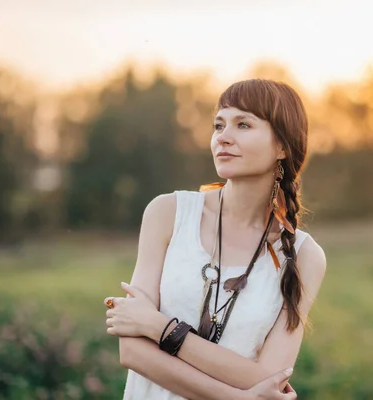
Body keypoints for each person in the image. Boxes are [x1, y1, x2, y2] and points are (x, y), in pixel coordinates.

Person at [103, 78, 327, 400]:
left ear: (282, 147)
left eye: (243, 124)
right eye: (219, 125)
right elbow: (133, 352)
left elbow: (268, 377)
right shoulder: (168, 213)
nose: (224, 137)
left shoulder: (305, 256)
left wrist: (159, 328)